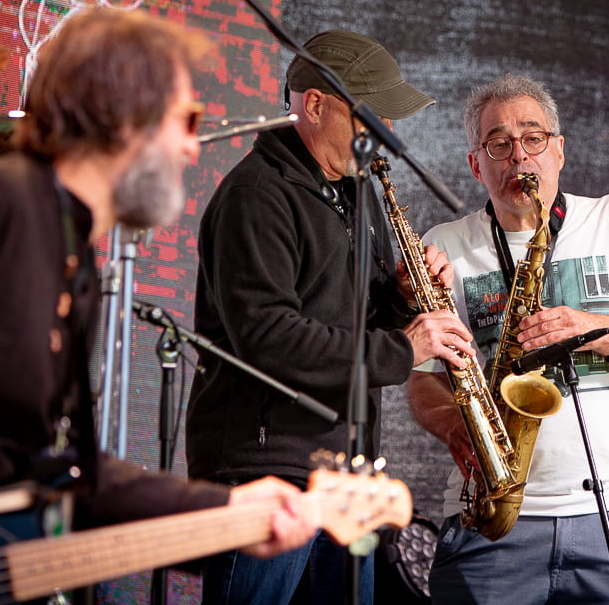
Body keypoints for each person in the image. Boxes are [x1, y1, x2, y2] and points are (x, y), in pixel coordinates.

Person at [0, 7, 314, 605]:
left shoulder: (71, 258)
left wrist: (231, 510)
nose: (193, 146)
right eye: (187, 119)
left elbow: (67, 475)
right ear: (122, 116)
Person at [186, 29, 476, 605]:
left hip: (345, 470)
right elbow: (269, 338)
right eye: (371, 115)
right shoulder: (256, 195)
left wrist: (403, 297)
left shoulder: (355, 190)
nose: (384, 132)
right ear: (315, 105)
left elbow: (352, 319)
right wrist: (405, 348)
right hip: (267, 469)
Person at [407, 73, 609, 605]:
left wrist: (590, 330)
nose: (519, 155)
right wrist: (452, 424)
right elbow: (423, 378)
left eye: (533, 138)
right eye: (499, 143)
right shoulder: (445, 245)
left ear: (558, 150)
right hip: (493, 519)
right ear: (476, 164)